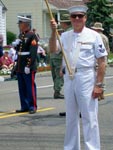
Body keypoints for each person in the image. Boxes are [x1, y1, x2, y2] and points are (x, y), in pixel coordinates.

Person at [49, 4, 107, 150]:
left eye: (80, 16)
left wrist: (99, 85)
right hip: (69, 78)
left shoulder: (94, 36)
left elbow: (102, 62)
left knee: (89, 116)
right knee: (71, 117)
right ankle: (71, 147)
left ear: (85, 18)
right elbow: (53, 49)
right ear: (70, 19)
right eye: (74, 16)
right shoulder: (64, 35)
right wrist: (53, 31)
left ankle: (92, 148)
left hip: (86, 77)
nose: (77, 19)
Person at [15, 16, 38, 114]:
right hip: (20, 65)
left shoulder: (32, 35)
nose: (19, 25)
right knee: (22, 87)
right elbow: (19, 52)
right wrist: (16, 45)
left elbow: (33, 52)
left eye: (20, 24)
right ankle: (24, 105)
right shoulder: (21, 36)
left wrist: (28, 65)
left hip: (28, 65)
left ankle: (32, 106)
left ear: (26, 24)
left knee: (30, 87)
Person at [50, 14, 71, 99]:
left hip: (54, 57)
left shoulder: (63, 34)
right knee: (59, 76)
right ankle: (57, 91)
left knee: (55, 76)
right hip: (59, 58)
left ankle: (56, 90)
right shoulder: (65, 35)